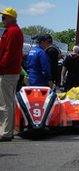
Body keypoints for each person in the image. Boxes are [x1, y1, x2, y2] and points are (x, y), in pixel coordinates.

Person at [0, 7, 24, 141]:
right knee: (8, 102)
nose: (2, 19)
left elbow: (8, 52)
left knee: (5, 103)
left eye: (4, 17)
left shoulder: (12, 31)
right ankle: (8, 130)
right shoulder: (15, 31)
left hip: (7, 71)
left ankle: (6, 132)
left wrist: (1, 66)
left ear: (10, 18)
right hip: (11, 70)